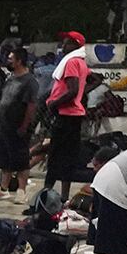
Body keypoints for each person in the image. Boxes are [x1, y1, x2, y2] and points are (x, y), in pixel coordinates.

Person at [43, 30, 92, 190]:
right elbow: (93, 80)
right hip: (75, 115)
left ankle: (47, 191)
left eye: (66, 43)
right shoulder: (81, 62)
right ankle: (64, 195)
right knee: (69, 157)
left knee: (55, 154)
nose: (63, 45)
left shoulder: (71, 62)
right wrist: (81, 94)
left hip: (65, 114)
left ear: (74, 45)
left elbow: (72, 90)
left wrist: (54, 103)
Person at [0, 45, 38, 199]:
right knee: (4, 157)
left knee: (20, 159)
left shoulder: (29, 81)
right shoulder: (10, 78)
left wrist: (24, 126)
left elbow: (31, 105)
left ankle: (21, 191)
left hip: (17, 125)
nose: (8, 61)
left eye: (11, 59)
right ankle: (3, 188)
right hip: (4, 125)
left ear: (19, 61)